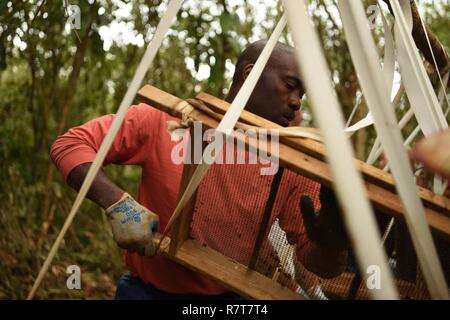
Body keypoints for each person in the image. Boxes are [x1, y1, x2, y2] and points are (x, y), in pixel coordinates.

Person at [50, 40, 349, 300]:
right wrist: (117, 204)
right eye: (290, 86)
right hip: (145, 293)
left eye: (303, 94)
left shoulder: (290, 165)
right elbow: (71, 145)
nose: (297, 103)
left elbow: (316, 261)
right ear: (250, 74)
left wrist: (332, 245)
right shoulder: (168, 123)